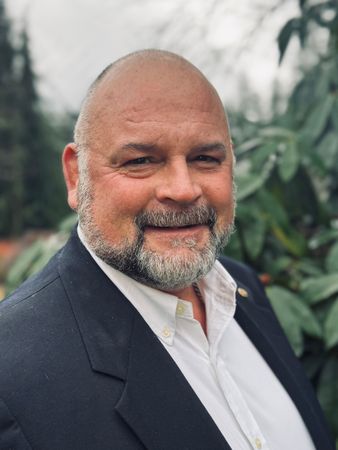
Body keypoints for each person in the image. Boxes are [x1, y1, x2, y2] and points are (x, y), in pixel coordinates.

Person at [0, 50, 334, 450]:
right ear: (76, 175)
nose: (183, 189)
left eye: (205, 158)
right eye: (141, 160)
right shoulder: (12, 376)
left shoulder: (243, 290)